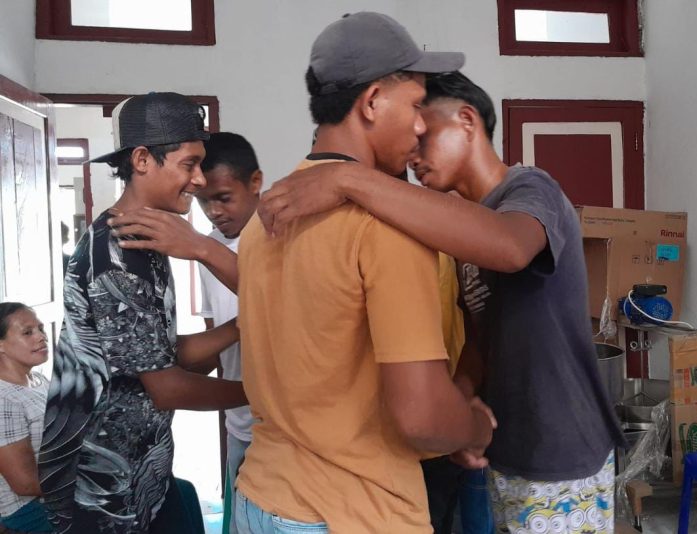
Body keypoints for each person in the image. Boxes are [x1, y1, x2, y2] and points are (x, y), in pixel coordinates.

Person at [257, 72, 627, 534]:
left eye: (424, 135)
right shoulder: (458, 224)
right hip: (507, 446)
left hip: (561, 448)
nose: (413, 156)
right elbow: (479, 340)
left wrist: (348, 177)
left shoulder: (531, 189)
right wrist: (462, 405)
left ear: (467, 121)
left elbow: (511, 248)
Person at [232, 12, 496, 534]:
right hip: (354, 512)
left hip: (262, 498)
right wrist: (474, 427)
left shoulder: (267, 217)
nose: (421, 126)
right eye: (416, 106)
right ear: (372, 101)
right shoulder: (388, 227)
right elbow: (422, 417)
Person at [38, 92, 248, 534]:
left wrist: (240, 326)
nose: (198, 180)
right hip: (102, 484)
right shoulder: (118, 253)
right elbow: (167, 387)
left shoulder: (147, 238)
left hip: (140, 466)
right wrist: (265, 396)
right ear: (142, 160)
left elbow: (161, 354)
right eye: (189, 164)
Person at [195, 132, 263, 534]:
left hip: (287, 427)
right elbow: (212, 344)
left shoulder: (286, 237)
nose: (213, 212)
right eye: (203, 201)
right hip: (238, 423)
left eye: (223, 197)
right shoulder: (207, 249)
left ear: (255, 182)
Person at [0, 303, 52, 533]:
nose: (42, 337)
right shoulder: (4, 399)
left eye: (41, 328)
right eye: (27, 332)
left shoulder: (39, 380)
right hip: (29, 509)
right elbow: (25, 484)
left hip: (57, 493)